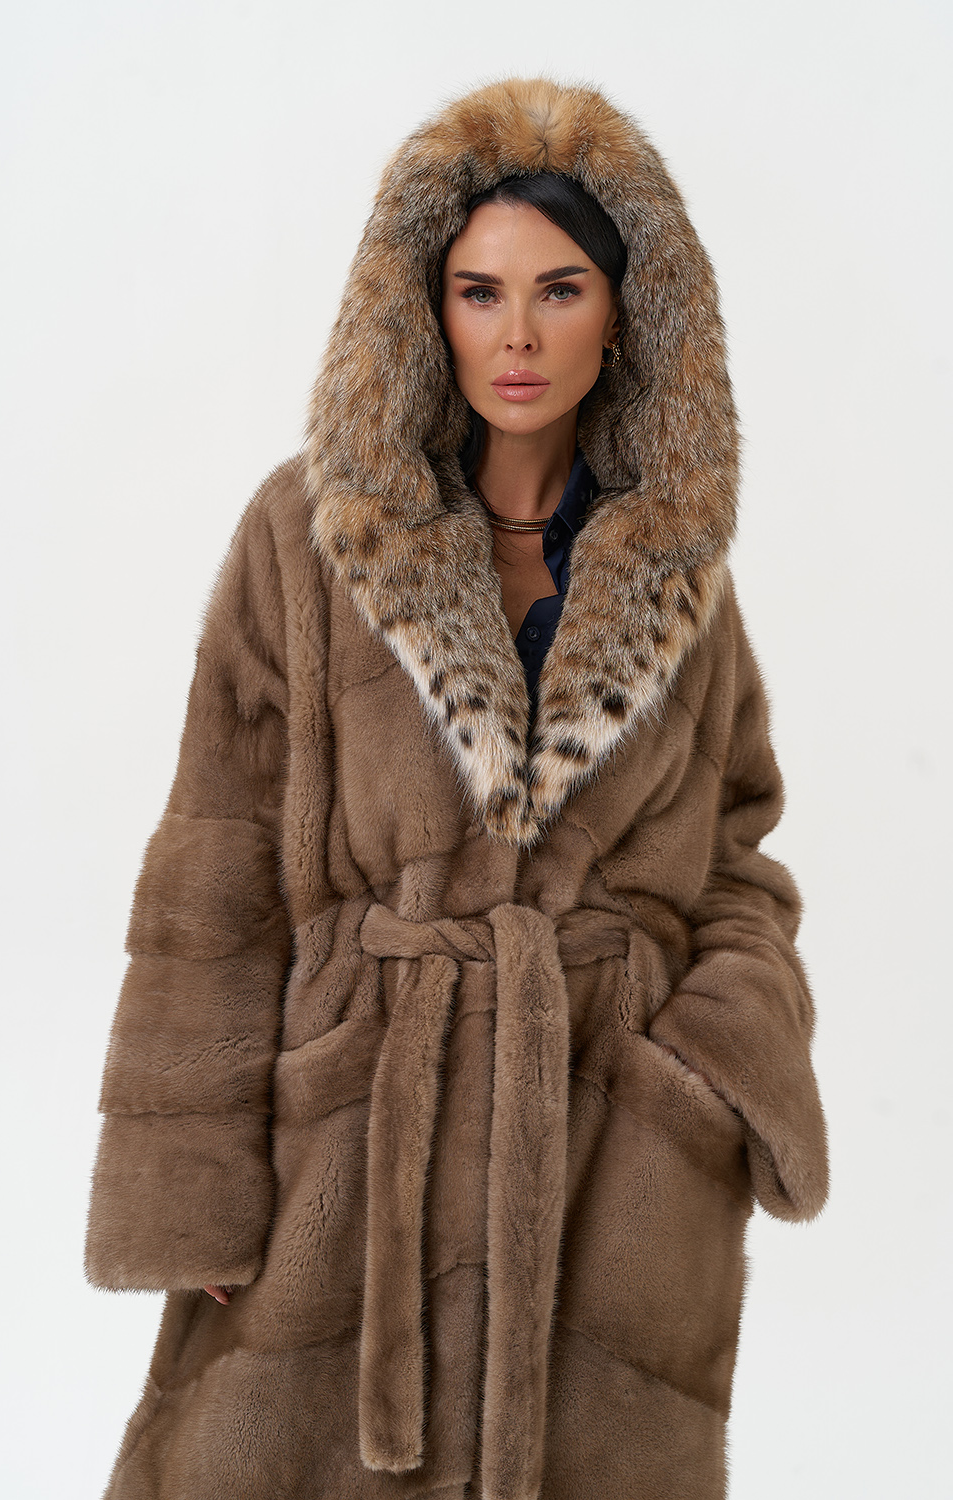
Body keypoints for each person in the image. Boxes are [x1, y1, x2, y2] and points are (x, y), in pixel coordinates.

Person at [84, 75, 830, 1500]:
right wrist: (192, 1190)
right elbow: (219, 857)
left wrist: (705, 1082)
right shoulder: (312, 537)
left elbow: (738, 857)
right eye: (481, 292)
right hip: (353, 1140)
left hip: (604, 1161)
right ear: (426, 309)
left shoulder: (679, 580)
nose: (519, 335)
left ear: (628, 314)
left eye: (560, 290)